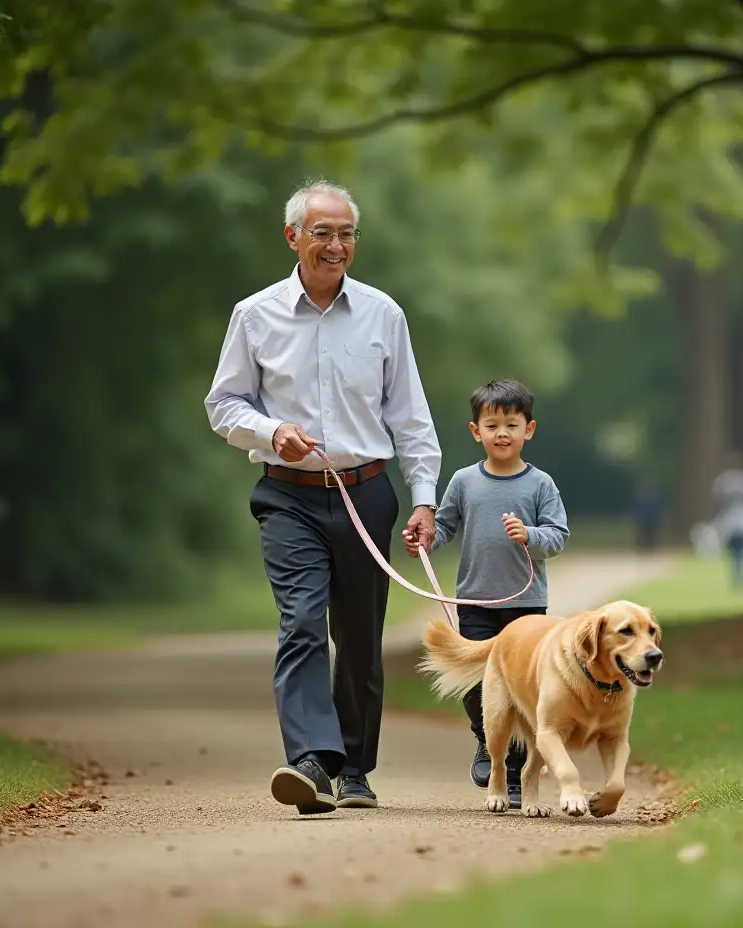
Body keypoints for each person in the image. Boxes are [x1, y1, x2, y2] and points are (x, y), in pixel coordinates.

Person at [204, 179, 441, 815]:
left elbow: (411, 418)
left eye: (345, 234)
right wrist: (268, 429)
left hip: (367, 494)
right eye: (322, 232)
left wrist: (423, 500)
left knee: (360, 637)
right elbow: (223, 404)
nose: (335, 245)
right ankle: (312, 760)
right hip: (287, 498)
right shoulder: (254, 315)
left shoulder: (383, 315)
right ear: (293, 237)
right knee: (303, 623)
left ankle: (356, 767)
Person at [404, 379, 569, 808]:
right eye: (492, 424)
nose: (502, 433)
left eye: (511, 425)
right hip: (476, 602)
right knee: (477, 685)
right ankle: (485, 739)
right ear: (475, 431)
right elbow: (445, 526)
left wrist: (529, 534)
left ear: (528, 430)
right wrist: (426, 538)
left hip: (528, 610)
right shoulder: (463, 481)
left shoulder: (540, 485)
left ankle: (513, 775)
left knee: (522, 692)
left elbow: (557, 536)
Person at [711, 451, 743, 589]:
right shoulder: (742, 481)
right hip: (735, 521)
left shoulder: (726, 482)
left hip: (740, 521)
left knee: (739, 551)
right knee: (738, 552)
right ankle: (739, 578)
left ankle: (739, 578)